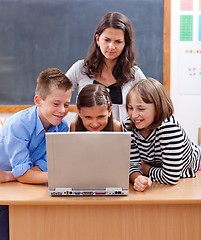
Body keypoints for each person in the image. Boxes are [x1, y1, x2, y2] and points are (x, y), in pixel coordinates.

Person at [0, 68, 73, 240]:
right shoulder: (19, 124)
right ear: (38, 101)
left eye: (67, 104)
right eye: (56, 104)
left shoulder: (62, 128)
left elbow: (37, 171)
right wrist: (63, 176)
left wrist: (12, 175)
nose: (62, 110)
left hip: (17, 183)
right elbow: (26, 175)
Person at [123, 78, 201, 192]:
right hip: (160, 167)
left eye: (141, 108)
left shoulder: (169, 129)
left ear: (158, 108)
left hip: (192, 168)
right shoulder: (129, 124)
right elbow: (132, 164)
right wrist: (137, 177)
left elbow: (171, 177)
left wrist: (145, 169)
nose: (134, 115)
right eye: (130, 108)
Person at [66, 12, 146, 123]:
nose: (111, 46)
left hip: (122, 137)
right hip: (86, 137)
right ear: (98, 39)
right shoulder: (80, 68)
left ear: (125, 44)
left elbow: (151, 102)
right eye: (107, 40)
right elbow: (57, 93)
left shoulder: (134, 73)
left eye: (118, 41)